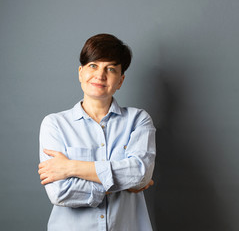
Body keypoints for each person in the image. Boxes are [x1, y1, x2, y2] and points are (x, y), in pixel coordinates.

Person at [38, 33, 156, 231]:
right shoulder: (54, 124)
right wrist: (126, 181)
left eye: (110, 69)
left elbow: (139, 173)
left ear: (120, 81)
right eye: (93, 66)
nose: (100, 75)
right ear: (80, 72)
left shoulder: (138, 120)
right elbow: (59, 192)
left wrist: (71, 168)